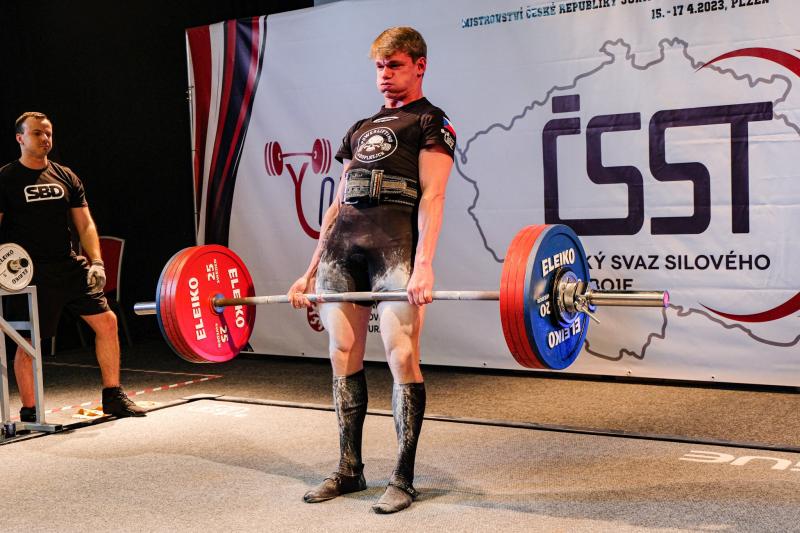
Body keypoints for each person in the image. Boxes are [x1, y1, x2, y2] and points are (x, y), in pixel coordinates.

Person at [288, 27, 456, 514]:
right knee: (342, 352)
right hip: (343, 248)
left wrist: (424, 266)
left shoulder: (431, 121)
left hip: (394, 246)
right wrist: (308, 270)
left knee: (401, 356)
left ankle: (403, 478)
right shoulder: (360, 127)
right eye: (380, 66)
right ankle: (349, 469)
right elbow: (337, 203)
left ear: (419, 66)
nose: (385, 74)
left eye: (395, 65)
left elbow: (434, 197)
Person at [0, 112, 145, 421]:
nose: (45, 138)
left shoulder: (66, 176)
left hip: (67, 266)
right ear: (20, 138)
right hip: (29, 273)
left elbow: (85, 224)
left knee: (107, 322)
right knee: (28, 342)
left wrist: (97, 262)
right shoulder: (6, 178)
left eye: (48, 133)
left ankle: (113, 396)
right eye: (37, 133)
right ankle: (30, 411)